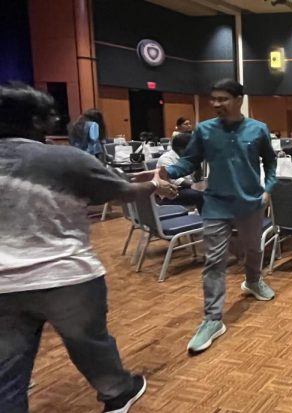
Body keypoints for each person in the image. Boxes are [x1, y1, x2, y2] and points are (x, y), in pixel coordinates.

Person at [0, 84, 177, 413]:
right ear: (39, 121)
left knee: (7, 373)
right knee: (90, 344)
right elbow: (123, 191)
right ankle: (117, 393)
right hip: (65, 274)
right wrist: (155, 184)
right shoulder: (63, 159)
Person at [158, 79, 277, 353]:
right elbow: (190, 161)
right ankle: (212, 319)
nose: (216, 104)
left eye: (222, 99)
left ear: (238, 100)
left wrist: (268, 189)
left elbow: (270, 162)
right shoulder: (205, 130)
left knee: (252, 248)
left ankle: (254, 280)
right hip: (215, 204)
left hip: (250, 203)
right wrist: (169, 173)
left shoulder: (258, 129)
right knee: (214, 260)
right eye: (214, 99)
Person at [156, 132, 204, 212]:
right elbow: (175, 180)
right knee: (201, 195)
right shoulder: (166, 158)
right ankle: (204, 219)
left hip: (188, 187)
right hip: (171, 192)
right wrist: (196, 186)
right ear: (181, 148)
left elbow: (198, 177)